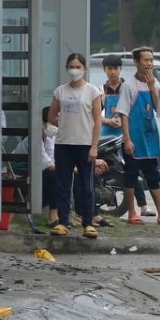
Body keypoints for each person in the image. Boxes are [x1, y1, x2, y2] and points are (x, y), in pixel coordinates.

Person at [117, 46, 160, 226]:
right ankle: (132, 213)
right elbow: (123, 114)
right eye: (146, 60)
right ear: (137, 62)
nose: (149, 64)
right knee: (130, 176)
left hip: (150, 138)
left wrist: (153, 89)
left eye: (151, 60)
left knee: (153, 176)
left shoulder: (155, 84)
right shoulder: (128, 85)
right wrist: (127, 139)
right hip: (134, 139)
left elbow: (159, 109)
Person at [47, 53, 104, 238]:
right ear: (66, 68)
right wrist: (64, 124)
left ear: (84, 68)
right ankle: (63, 222)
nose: (75, 70)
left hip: (85, 144)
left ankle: (88, 222)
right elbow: (51, 116)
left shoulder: (93, 92)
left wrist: (94, 145)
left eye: (78, 66)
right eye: (71, 66)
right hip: (64, 144)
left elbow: (97, 120)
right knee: (63, 185)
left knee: (86, 186)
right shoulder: (60, 91)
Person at [100, 54, 152, 218]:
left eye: (116, 68)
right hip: (107, 135)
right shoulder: (101, 90)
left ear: (120, 69)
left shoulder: (127, 88)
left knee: (132, 171)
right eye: (109, 68)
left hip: (125, 135)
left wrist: (123, 123)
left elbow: (134, 111)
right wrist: (108, 121)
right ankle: (111, 204)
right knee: (107, 170)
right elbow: (95, 114)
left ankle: (142, 206)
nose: (113, 72)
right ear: (104, 70)